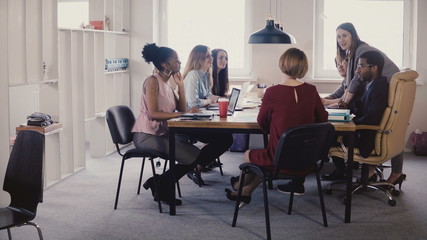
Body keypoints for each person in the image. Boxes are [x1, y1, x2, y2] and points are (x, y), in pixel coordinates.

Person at [225, 48, 328, 205]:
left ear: (282, 64)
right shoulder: (312, 90)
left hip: (279, 160)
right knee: (264, 162)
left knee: (249, 155)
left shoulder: (272, 92)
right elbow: (323, 119)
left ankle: (238, 186)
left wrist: (274, 128)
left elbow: (262, 122)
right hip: (307, 160)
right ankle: (245, 191)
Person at [133, 43, 225, 205]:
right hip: (147, 135)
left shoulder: (167, 83)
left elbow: (182, 107)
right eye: (176, 60)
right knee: (191, 156)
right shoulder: (153, 81)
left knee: (194, 155)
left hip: (161, 134)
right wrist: (183, 114)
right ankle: (162, 188)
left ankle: (159, 182)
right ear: (165, 64)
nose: (180, 63)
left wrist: (181, 86)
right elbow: (154, 113)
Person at [323, 23, 405, 186]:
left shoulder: (362, 50)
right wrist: (337, 101)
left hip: (390, 88)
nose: (341, 39)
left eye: (344, 35)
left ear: (353, 35)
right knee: (387, 125)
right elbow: (348, 83)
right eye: (338, 36)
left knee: (388, 125)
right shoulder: (352, 53)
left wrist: (343, 103)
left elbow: (355, 80)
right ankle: (371, 170)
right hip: (381, 88)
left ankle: (388, 172)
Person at [183, 45, 233, 185]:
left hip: (200, 118)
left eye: (211, 55)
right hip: (189, 122)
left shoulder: (205, 74)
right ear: (198, 58)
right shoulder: (193, 74)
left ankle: (197, 166)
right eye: (208, 56)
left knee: (226, 137)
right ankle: (195, 167)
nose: (212, 59)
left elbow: (207, 96)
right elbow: (193, 102)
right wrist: (209, 100)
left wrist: (218, 99)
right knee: (225, 139)